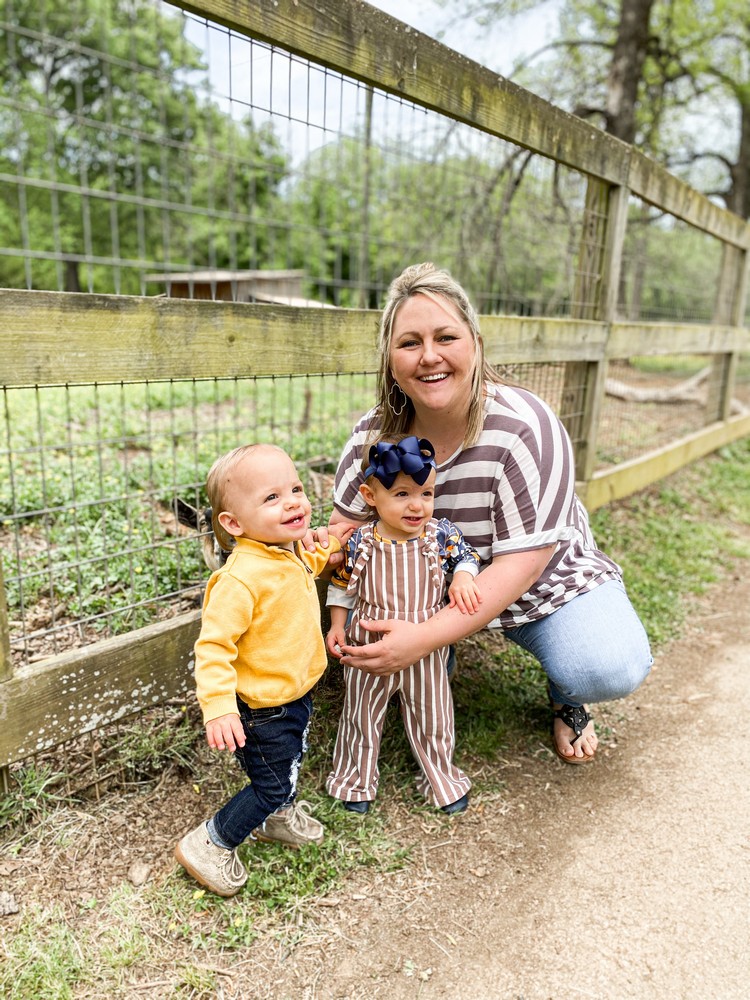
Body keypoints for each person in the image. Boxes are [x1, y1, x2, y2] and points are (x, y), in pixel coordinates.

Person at [328, 262, 652, 765]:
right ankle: (436, 655)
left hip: (536, 574)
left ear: (476, 344)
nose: (429, 356)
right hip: (428, 581)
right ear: (389, 361)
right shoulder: (372, 435)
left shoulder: (525, 426)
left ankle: (566, 693)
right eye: (409, 342)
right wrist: (319, 552)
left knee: (606, 665)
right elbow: (346, 528)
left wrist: (423, 638)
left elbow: (522, 565)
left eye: (446, 337)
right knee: (360, 629)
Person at [175, 443, 352, 897]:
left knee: (289, 760)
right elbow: (213, 648)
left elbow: (310, 563)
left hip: (292, 696)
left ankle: (276, 820)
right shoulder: (238, 580)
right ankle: (211, 842)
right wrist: (218, 709)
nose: (293, 501)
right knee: (271, 782)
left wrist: (338, 538)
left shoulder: (284, 553)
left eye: (294, 488)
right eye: (271, 498)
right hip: (261, 710)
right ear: (233, 525)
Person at [326, 434, 481, 815]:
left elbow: (466, 556)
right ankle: (354, 782)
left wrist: (462, 576)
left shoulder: (440, 535)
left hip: (426, 645)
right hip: (368, 641)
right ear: (369, 495)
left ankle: (441, 780)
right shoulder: (361, 541)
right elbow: (343, 585)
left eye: (426, 494)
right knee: (360, 714)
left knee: (434, 714)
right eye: (402, 495)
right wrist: (336, 626)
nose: (417, 506)